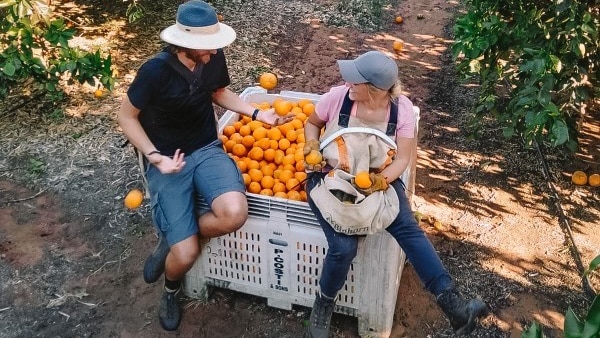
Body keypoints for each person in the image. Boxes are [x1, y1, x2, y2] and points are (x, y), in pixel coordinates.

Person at [117, 0, 292, 331]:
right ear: (184, 44)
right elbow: (126, 117)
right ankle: (171, 290)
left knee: (235, 212)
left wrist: (258, 114)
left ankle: (174, 234)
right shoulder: (154, 72)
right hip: (168, 159)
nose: (213, 53)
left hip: (206, 147)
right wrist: (155, 156)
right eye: (206, 48)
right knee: (184, 257)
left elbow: (218, 92)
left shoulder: (212, 55)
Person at [303, 50, 488, 337]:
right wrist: (312, 146)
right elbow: (312, 123)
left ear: (374, 89)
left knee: (409, 230)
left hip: (376, 178)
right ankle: (323, 303)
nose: (347, 82)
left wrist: (379, 182)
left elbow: (402, 159)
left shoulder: (400, 110)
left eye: (355, 80)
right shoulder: (338, 97)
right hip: (331, 177)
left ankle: (454, 306)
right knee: (344, 247)